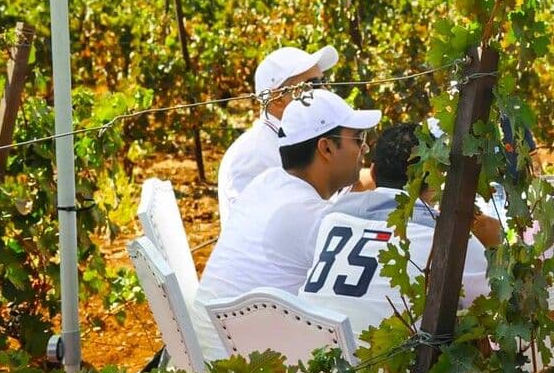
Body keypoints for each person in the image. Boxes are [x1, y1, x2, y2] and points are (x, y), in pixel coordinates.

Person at [196, 88, 381, 357]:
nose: (364, 147)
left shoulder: (266, 183)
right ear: (326, 147)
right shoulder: (309, 217)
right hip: (240, 369)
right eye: (357, 138)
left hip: (214, 350)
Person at [301, 122, 489, 334]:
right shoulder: (452, 240)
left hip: (313, 352)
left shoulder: (330, 219)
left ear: (372, 172)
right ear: (435, 176)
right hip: (389, 365)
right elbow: (491, 309)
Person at [216, 45, 338, 223]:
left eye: (323, 82)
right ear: (278, 99)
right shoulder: (252, 155)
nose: (326, 92)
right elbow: (252, 228)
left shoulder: (301, 140)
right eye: (313, 86)